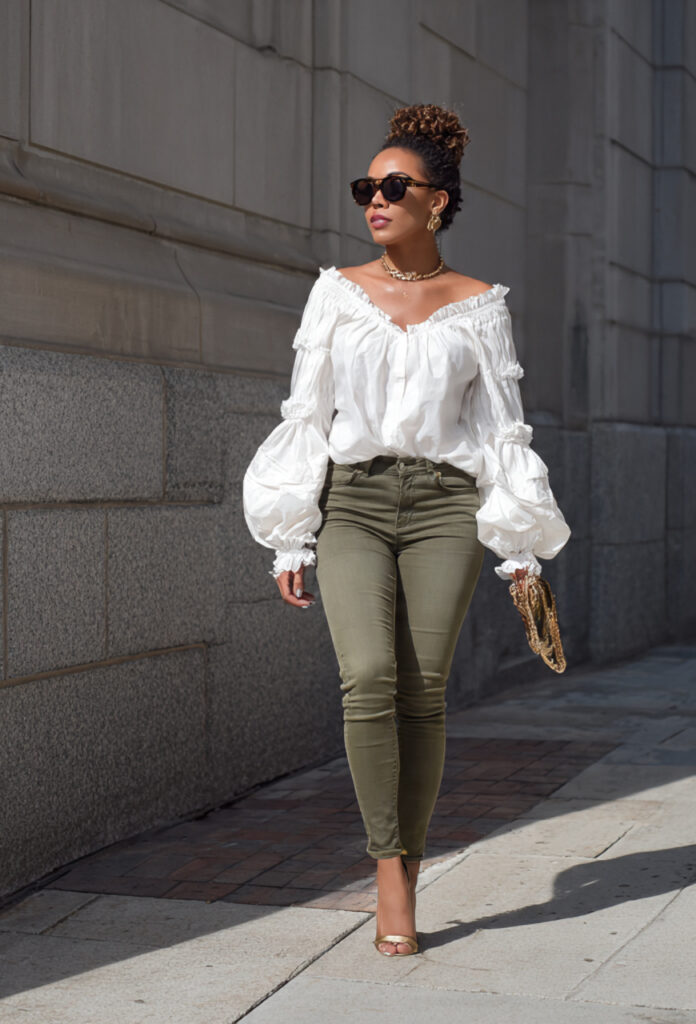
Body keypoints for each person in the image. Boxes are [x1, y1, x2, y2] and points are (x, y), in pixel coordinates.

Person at [242, 103, 571, 957]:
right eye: (367, 189)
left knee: (423, 688)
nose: (375, 201)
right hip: (351, 499)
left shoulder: (480, 306)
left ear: (440, 203)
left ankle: (405, 869)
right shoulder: (336, 294)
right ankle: (384, 861)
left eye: (395, 187)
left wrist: (521, 548)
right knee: (370, 675)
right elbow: (307, 414)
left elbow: (503, 432)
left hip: (446, 510)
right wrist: (290, 533)